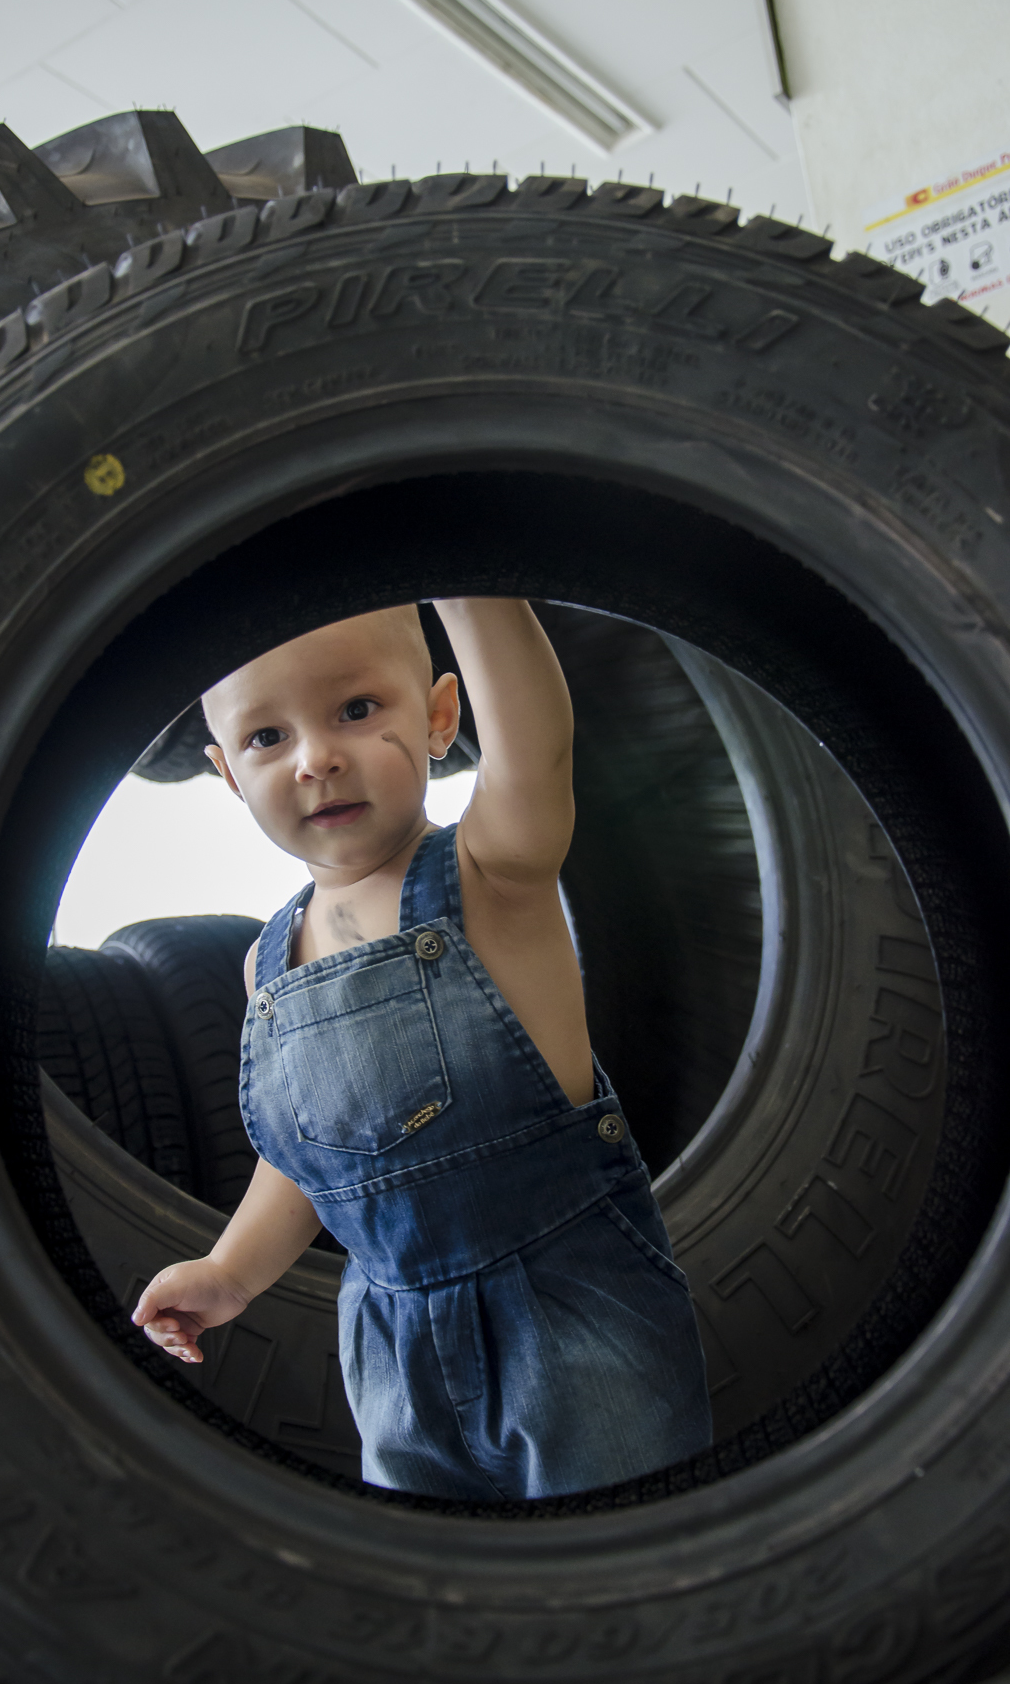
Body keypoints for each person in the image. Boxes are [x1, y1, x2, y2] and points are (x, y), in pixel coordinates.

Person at [132, 599, 711, 1500]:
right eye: (267, 737)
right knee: (446, 1595)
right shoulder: (267, 962)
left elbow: (536, 746)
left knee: (622, 1562)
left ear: (441, 716)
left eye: (356, 710)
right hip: (389, 1346)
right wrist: (228, 1272)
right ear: (228, 775)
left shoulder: (493, 871)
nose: (316, 757)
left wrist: (473, 594)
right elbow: (312, 1163)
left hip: (565, 1312)